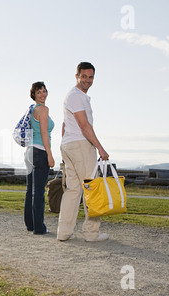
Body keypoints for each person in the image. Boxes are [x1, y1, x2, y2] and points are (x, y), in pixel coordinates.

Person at [57, 62, 110, 242]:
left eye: (90, 77)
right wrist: (100, 148)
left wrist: (65, 147)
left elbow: (65, 125)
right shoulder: (76, 96)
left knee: (73, 190)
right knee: (91, 188)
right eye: (84, 76)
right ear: (77, 76)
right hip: (80, 145)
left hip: (70, 145)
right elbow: (84, 126)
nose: (87, 80)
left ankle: (64, 232)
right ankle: (91, 233)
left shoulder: (75, 96)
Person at [24, 82, 55, 235]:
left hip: (29, 151)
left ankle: (30, 224)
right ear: (34, 95)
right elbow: (44, 133)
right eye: (39, 92)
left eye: (44, 91)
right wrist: (50, 154)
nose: (43, 94)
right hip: (40, 150)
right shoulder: (43, 109)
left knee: (31, 190)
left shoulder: (31, 109)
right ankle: (39, 227)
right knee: (38, 191)